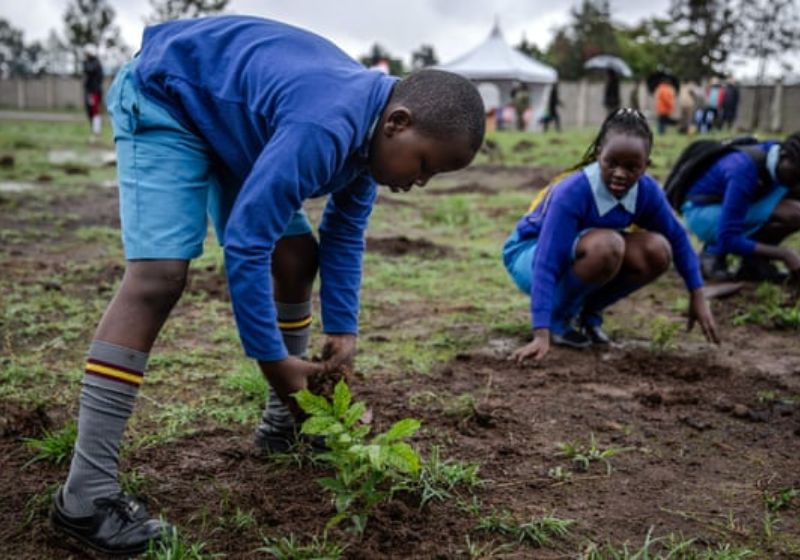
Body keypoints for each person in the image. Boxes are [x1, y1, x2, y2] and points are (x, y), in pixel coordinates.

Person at [48, 15, 486, 556]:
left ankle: (283, 425)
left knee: (298, 254)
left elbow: (343, 236)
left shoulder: (372, 141)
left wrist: (344, 334)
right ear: (397, 122)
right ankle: (85, 496)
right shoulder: (327, 126)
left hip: (235, 126)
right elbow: (248, 242)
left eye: (431, 177)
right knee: (159, 277)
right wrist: (274, 361)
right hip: (169, 97)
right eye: (423, 166)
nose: (417, 183)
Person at [502, 107, 719, 362]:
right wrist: (541, 331)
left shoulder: (647, 192)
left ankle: (589, 315)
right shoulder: (573, 191)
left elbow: (679, 239)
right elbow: (547, 260)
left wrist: (697, 293)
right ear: (598, 156)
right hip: (530, 252)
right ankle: (558, 319)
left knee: (658, 250)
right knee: (608, 246)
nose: (619, 173)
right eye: (611, 163)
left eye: (631, 167)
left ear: (645, 166)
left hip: (585, 251)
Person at [682, 132, 800, 283]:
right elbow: (728, 237)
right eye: (796, 176)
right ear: (784, 156)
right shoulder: (744, 170)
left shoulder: (782, 162)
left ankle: (753, 265)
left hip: (730, 208)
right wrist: (785, 255)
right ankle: (713, 252)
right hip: (701, 214)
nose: (797, 185)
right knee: (794, 213)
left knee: (792, 208)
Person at [82, 48, 104, 141]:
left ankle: (96, 132)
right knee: (90, 112)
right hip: (90, 92)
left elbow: (89, 69)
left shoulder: (95, 64)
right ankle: (94, 131)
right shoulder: (90, 63)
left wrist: (85, 63)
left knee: (95, 112)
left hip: (94, 92)